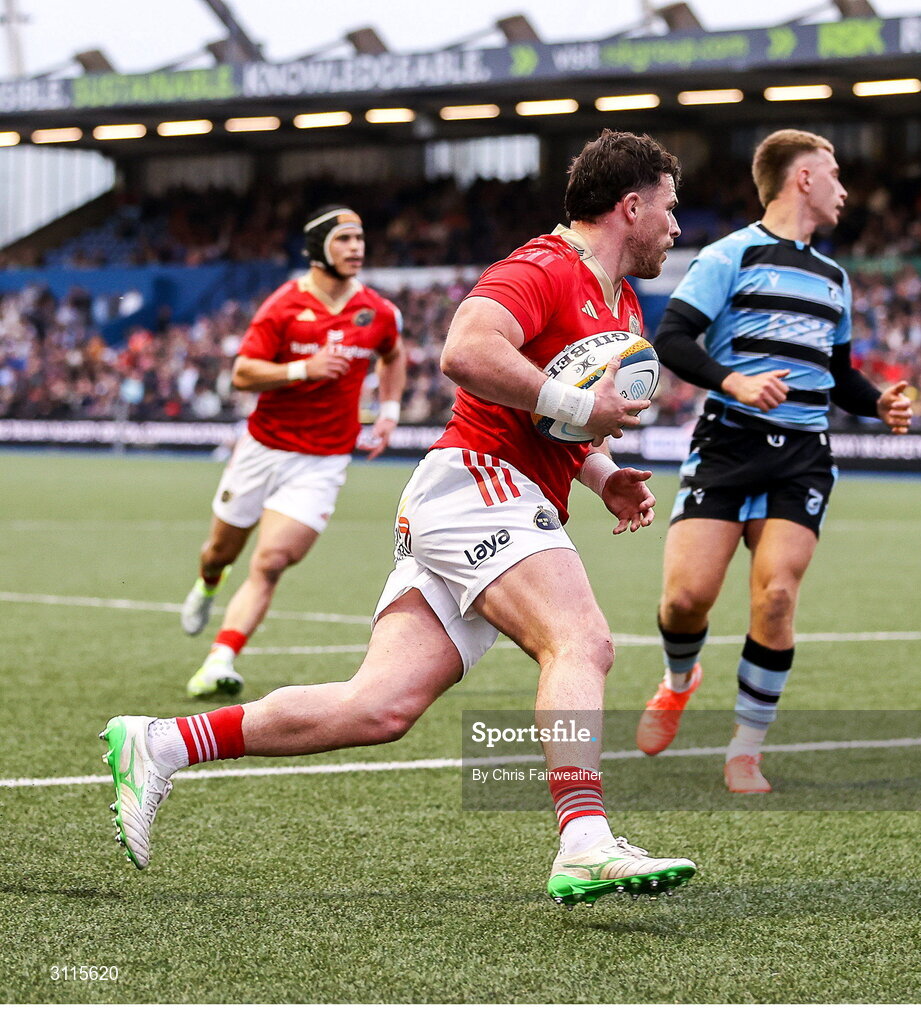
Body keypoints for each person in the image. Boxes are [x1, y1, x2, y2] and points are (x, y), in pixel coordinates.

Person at [101, 130, 697, 907]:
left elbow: (545, 419)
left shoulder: (621, 301)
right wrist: (584, 406)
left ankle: (162, 741)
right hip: (480, 485)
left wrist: (604, 471)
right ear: (630, 205)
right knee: (580, 639)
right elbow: (466, 351)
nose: (677, 226)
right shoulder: (543, 266)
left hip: (490, 493)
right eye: (669, 207)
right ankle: (585, 841)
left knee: (377, 707)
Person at [635, 129, 913, 793]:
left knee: (778, 597)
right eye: (835, 173)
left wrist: (881, 404)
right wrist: (734, 382)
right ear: (803, 179)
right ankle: (680, 679)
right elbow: (670, 338)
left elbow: (838, 374)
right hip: (728, 444)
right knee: (684, 599)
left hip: (803, 457)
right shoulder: (731, 253)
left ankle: (745, 749)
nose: (845, 188)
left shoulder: (835, 278)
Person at [178, 206, 407, 698]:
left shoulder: (377, 310)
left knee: (272, 561)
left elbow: (393, 352)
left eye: (360, 239)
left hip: (324, 459)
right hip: (264, 448)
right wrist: (301, 371)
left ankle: (220, 659)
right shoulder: (282, 306)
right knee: (221, 551)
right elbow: (242, 373)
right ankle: (208, 584)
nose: (356, 248)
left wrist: (388, 408)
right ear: (319, 247)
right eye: (344, 239)